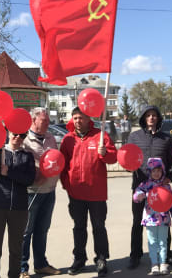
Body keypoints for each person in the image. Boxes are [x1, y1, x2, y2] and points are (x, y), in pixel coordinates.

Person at [60, 107, 117, 277]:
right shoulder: (68, 139)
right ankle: (79, 259)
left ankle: (101, 258)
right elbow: (62, 165)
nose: (77, 121)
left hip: (96, 193)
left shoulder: (100, 136)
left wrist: (105, 153)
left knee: (99, 227)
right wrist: (66, 185)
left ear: (88, 119)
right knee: (79, 227)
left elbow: (114, 158)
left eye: (81, 118)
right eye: (75, 118)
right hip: (76, 193)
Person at [127, 105, 172, 270]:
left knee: (163, 223)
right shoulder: (134, 137)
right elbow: (128, 158)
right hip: (141, 187)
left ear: (158, 118)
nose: (151, 118)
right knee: (138, 222)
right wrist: (129, 166)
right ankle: (135, 255)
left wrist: (170, 177)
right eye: (148, 115)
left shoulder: (166, 139)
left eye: (154, 115)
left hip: (160, 189)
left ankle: (166, 255)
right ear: (143, 118)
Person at [0, 131, 35, 278]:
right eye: (15, 134)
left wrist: (10, 173)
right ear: (8, 133)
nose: (18, 138)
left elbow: (29, 179)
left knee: (16, 249)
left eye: (22, 135)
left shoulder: (27, 156)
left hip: (19, 208)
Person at [20, 108, 61, 278]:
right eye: (44, 120)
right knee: (26, 231)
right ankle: (22, 267)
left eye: (48, 120)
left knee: (42, 230)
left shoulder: (51, 138)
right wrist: (35, 175)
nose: (47, 123)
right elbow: (19, 165)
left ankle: (41, 264)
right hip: (31, 192)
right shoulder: (24, 141)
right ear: (33, 120)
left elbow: (56, 159)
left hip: (49, 191)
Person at [133, 158, 172, 276]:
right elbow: (137, 193)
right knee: (152, 242)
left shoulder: (166, 186)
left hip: (164, 218)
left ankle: (163, 263)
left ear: (162, 171)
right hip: (150, 219)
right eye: (153, 171)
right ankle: (154, 264)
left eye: (158, 170)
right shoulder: (146, 184)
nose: (156, 173)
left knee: (163, 242)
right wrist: (139, 196)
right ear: (149, 172)